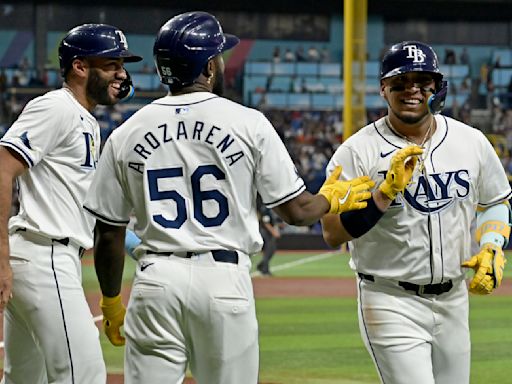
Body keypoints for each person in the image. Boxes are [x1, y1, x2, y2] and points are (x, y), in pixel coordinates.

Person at [83, 11, 375, 384]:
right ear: (208, 66)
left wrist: (110, 301)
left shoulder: (127, 132)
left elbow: (108, 233)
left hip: (155, 281)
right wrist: (333, 198)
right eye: (218, 56)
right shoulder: (247, 122)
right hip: (222, 279)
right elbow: (297, 211)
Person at [321, 41, 511, 384]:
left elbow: (495, 201)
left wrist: (492, 243)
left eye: (422, 81)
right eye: (400, 81)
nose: (412, 90)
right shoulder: (357, 152)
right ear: (383, 89)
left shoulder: (471, 141)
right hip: (389, 299)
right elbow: (332, 233)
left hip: (454, 298)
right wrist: (382, 194)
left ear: (437, 88)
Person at [0, 24, 142, 384]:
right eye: (111, 64)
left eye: (122, 65)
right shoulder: (56, 107)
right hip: (44, 255)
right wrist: (0, 257)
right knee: (84, 375)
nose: (121, 74)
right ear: (80, 67)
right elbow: (2, 167)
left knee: (23, 380)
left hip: (47, 257)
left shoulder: (87, 120)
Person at [256, 198, 281, 276]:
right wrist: (273, 232)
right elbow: (265, 222)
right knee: (269, 250)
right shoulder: (265, 208)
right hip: (265, 232)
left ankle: (261, 266)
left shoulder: (271, 207)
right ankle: (265, 270)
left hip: (269, 231)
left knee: (271, 250)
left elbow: (273, 220)